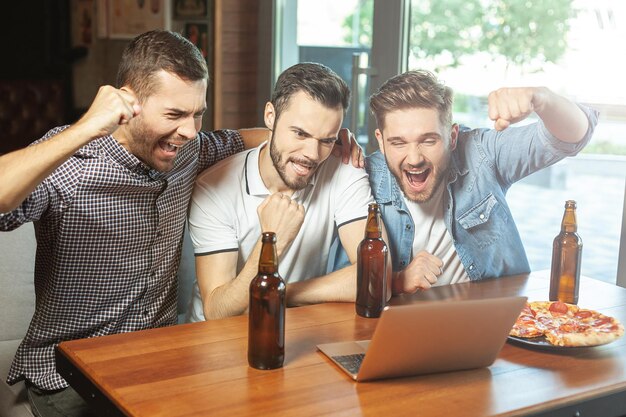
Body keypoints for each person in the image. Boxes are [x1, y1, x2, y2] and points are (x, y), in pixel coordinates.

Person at [0, 31, 358, 416]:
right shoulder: (73, 162)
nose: (189, 129)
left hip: (162, 358)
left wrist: (325, 144)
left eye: (197, 113)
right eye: (174, 115)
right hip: (69, 375)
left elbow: (256, 141)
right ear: (127, 101)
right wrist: (86, 127)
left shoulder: (188, 149)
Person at [361, 69, 599, 294]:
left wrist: (543, 98)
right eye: (398, 143)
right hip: (399, 328)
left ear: (452, 137)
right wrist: (398, 281)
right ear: (381, 142)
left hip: (492, 323)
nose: (414, 159)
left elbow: (572, 138)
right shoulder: (363, 179)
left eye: (428, 140)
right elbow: (348, 280)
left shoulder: (481, 153)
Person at [187, 62, 374, 321]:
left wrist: (284, 293)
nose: (312, 154)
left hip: (294, 325)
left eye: (326, 140)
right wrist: (272, 239)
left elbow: (375, 275)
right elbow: (219, 312)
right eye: (300, 133)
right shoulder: (214, 187)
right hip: (217, 339)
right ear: (270, 117)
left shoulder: (344, 171)